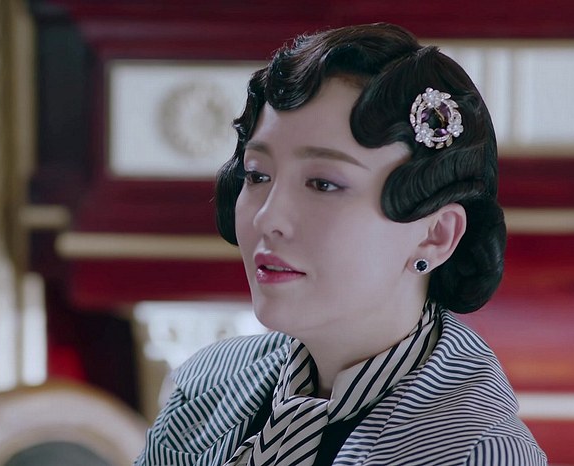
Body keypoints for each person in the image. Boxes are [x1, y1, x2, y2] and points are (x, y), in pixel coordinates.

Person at [134, 22, 547, 465]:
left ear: (435, 234)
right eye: (257, 175)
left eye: (323, 184)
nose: (267, 216)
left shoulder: (477, 454)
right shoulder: (203, 387)